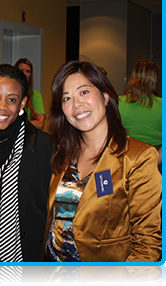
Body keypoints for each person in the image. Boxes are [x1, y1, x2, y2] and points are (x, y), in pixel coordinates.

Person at [43, 60, 162, 262]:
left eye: (84, 92)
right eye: (67, 98)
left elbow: (147, 246)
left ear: (105, 96)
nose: (76, 104)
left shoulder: (138, 158)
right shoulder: (62, 154)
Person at [0, 64, 53, 262]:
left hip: (23, 260)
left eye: (11, 100)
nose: (1, 107)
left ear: (22, 103)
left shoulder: (45, 148)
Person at [118, 59, 162, 148]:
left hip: (127, 150)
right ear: (154, 80)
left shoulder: (118, 102)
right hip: (156, 151)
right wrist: (155, 161)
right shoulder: (161, 104)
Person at [14, 58, 46, 130]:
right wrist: (30, 122)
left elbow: (40, 124)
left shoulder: (36, 95)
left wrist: (16, 124)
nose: (25, 73)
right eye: (22, 70)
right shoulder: (9, 93)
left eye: (28, 71)